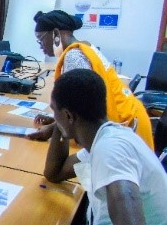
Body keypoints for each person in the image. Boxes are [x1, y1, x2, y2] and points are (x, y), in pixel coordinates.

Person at [45, 69, 167, 225]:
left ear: (70, 115)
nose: (53, 116)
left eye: (55, 111)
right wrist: (60, 126)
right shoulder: (106, 136)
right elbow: (55, 172)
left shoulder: (110, 150)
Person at [29, 10, 154, 150]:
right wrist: (57, 119)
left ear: (56, 34)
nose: (40, 45)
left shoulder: (74, 57)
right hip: (131, 116)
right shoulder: (84, 47)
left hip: (125, 124)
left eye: (41, 39)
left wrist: (50, 130)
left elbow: (82, 108)